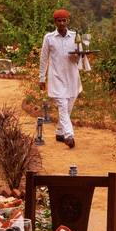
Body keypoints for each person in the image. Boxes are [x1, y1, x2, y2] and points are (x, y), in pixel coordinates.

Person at [39, 9, 82, 148]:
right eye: (59, 21)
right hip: (56, 77)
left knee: (68, 107)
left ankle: (59, 131)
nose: (62, 23)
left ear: (68, 21)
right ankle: (69, 136)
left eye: (64, 20)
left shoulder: (75, 36)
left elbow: (78, 58)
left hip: (72, 77)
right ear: (55, 22)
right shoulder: (49, 38)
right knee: (62, 106)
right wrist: (41, 78)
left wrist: (78, 55)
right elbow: (43, 59)